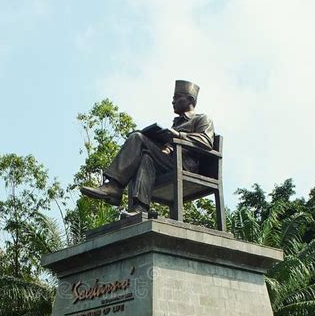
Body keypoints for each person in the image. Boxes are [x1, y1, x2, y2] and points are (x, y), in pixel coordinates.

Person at [80, 80, 215, 216]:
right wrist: (163, 144)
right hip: (168, 162)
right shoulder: (176, 123)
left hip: (185, 165)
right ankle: (140, 209)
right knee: (146, 157)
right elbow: (169, 145)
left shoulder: (202, 119)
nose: (172, 102)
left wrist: (179, 135)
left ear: (190, 99)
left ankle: (115, 187)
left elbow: (206, 141)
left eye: (176, 98)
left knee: (137, 138)